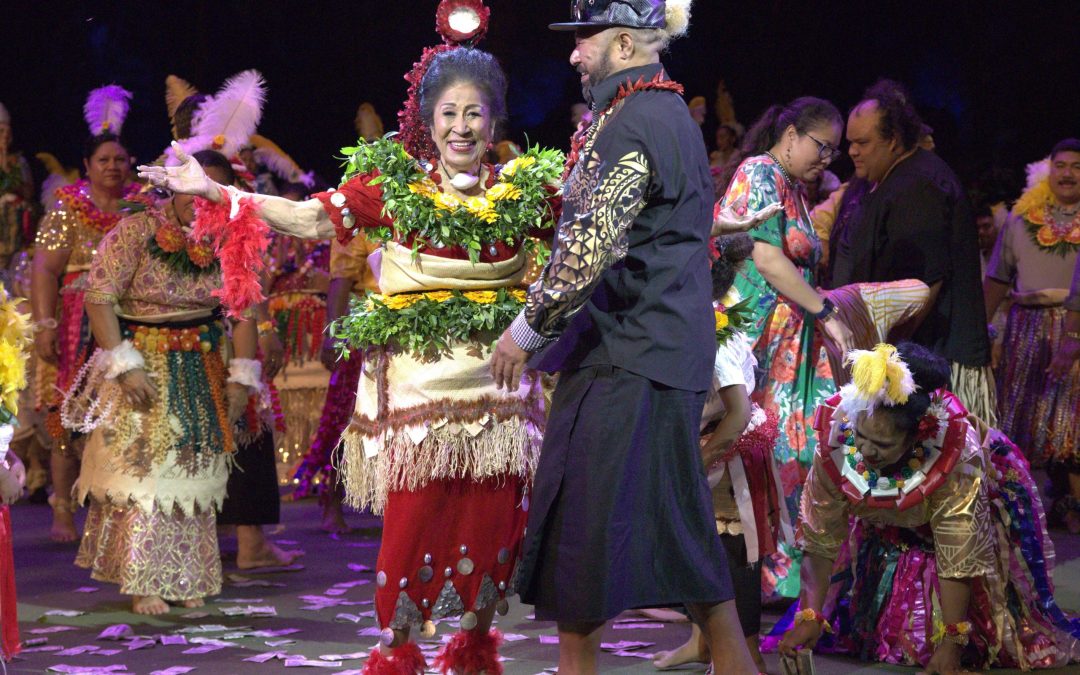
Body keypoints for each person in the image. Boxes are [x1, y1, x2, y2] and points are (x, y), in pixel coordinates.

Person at [141, 2, 562, 669]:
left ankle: (476, 644)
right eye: (448, 113)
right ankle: (397, 650)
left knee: (493, 525)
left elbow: (586, 245)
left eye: (474, 113)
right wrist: (220, 195)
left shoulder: (525, 192)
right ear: (427, 121)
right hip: (418, 392)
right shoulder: (392, 186)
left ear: (493, 120)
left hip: (500, 395)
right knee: (413, 525)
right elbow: (310, 219)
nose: (460, 126)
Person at [489, 2, 759, 673]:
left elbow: (588, 250)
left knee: (583, 525)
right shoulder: (659, 114)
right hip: (659, 350)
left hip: (626, 354)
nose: (575, 55)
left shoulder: (635, 119)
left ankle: (577, 668)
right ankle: (735, 663)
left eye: (584, 41)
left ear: (623, 42)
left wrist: (524, 331)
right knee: (679, 524)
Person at [778, 342, 1080, 672]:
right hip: (892, 524)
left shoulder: (956, 459)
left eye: (881, 445)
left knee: (974, 637)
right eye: (861, 436)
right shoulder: (837, 439)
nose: (864, 450)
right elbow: (821, 536)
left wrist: (953, 642)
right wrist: (811, 614)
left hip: (971, 508)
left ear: (917, 436)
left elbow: (959, 551)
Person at [62, 150, 258, 615]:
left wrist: (241, 379)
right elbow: (99, 297)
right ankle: (141, 580)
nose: (200, 199)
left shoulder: (234, 241)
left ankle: (189, 575)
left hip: (204, 360)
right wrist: (124, 365)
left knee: (194, 470)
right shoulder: (134, 232)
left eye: (213, 192)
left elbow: (244, 312)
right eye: (193, 188)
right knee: (143, 472)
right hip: (143, 362)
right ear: (174, 187)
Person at [652, 233, 790, 673]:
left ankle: (745, 655)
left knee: (732, 553)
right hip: (704, 441)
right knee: (700, 544)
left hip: (727, 451)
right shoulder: (698, 316)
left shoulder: (715, 334)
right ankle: (703, 641)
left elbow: (737, 412)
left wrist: (701, 461)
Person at [716, 97, 851, 542]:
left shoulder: (791, 184)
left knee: (809, 445)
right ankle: (770, 565)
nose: (829, 159)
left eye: (835, 151)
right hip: (761, 338)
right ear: (791, 135)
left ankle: (801, 566)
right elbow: (767, 258)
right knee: (772, 447)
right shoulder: (760, 172)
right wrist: (826, 311)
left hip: (795, 343)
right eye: (823, 146)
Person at [831, 79, 995, 424]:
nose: (853, 151)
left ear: (892, 141)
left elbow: (923, 285)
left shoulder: (920, 187)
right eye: (850, 143)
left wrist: (887, 356)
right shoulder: (887, 179)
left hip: (928, 360)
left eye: (863, 143)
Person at [31, 85, 140, 543]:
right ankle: (61, 511)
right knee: (67, 417)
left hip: (128, 320)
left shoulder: (141, 206)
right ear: (88, 166)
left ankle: (116, 511)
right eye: (103, 160)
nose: (113, 167)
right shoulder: (66, 209)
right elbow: (44, 270)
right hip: (77, 320)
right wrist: (45, 324)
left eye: (119, 159)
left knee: (124, 416)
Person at [984, 139, 1080, 529]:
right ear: (1048, 169)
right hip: (1028, 329)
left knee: (1072, 421)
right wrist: (982, 333)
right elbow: (996, 278)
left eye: (1077, 166)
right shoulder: (1021, 219)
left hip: (1076, 327)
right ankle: (1032, 500)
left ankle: (1072, 502)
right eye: (1061, 165)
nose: (1068, 173)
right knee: (1027, 419)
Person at [0, 101, 38, 270]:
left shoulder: (19, 161)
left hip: (16, 214)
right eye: (1, 132)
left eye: (8, 132)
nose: (5, 136)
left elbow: (29, 191)